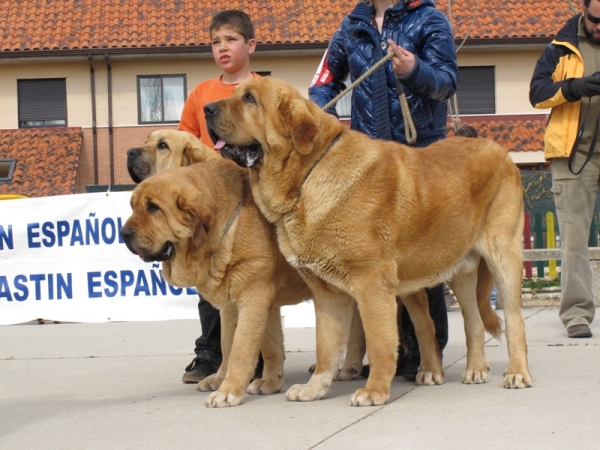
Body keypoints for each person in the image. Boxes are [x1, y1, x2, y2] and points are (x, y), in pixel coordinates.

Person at [309, 0, 458, 380]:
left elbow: (446, 83)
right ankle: (390, 350)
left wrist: (414, 71)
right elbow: (324, 80)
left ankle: (427, 352)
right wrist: (323, 108)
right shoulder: (350, 26)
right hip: (369, 161)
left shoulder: (430, 18)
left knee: (423, 256)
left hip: (420, 152)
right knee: (374, 260)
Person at [178, 9, 263, 382]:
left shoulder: (262, 91)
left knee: (255, 279)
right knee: (210, 278)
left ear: (251, 45)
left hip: (255, 198)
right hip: (212, 205)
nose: (222, 48)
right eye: (215, 41)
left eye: (230, 39)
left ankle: (257, 355)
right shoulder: (201, 93)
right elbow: (185, 146)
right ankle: (210, 353)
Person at [529, 0, 600, 339]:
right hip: (572, 156)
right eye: (596, 20)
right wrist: (574, 88)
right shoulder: (560, 48)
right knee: (574, 240)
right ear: (583, 10)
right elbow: (537, 93)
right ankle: (576, 315)